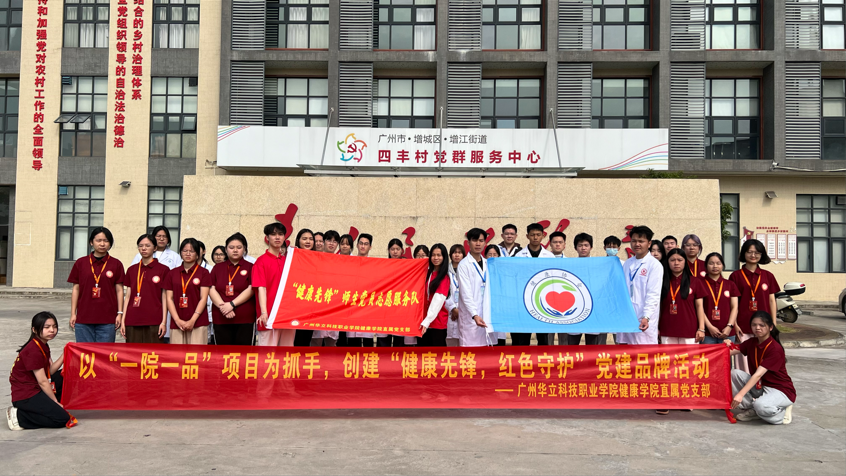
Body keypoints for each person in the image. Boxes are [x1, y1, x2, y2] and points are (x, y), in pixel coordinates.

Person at [6, 312, 75, 431]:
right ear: (34, 329)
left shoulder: (42, 345)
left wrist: (65, 354)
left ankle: (46, 407)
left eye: (54, 326)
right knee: (62, 419)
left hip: (36, 386)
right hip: (26, 395)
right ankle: (19, 416)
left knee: (66, 376)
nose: (52, 330)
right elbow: (43, 381)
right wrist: (55, 402)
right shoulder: (33, 350)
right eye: (47, 327)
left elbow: (50, 371)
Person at [727, 311, 795, 424]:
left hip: (780, 389)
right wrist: (725, 345)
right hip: (761, 386)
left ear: (770, 327)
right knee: (733, 374)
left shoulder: (775, 349)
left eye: (762, 325)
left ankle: (780, 413)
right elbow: (730, 351)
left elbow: (758, 375)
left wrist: (740, 395)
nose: (757, 328)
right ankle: (753, 410)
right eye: (754, 325)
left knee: (761, 406)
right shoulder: (751, 342)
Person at [729, 239, 780, 373]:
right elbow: (732, 304)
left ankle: (762, 387)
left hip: (764, 327)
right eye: (749, 252)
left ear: (762, 255)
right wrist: (735, 325)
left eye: (757, 252)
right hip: (743, 327)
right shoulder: (735, 276)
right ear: (743, 254)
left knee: (763, 362)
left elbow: (772, 301)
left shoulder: (768, 276)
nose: (753, 255)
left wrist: (773, 323)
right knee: (743, 365)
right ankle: (744, 387)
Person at [68, 227, 125, 343]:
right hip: (84, 318)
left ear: (110, 243)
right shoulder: (81, 263)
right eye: (98, 240)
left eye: (106, 241)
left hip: (107, 319)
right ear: (91, 242)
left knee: (104, 353)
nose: (102, 244)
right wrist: (73, 314)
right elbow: (76, 289)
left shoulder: (116, 264)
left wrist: (120, 314)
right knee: (85, 352)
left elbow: (119, 290)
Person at [616, 226, 663, 345]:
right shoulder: (628, 263)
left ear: (649, 243)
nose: (637, 244)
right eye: (634, 241)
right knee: (625, 350)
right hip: (627, 315)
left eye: (641, 241)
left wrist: (646, 316)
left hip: (643, 316)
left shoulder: (654, 265)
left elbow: (653, 294)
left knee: (643, 351)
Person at [120, 234, 170, 344]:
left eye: (147, 245)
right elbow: (128, 296)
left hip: (154, 320)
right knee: (133, 353)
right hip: (132, 319)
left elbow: (164, 297)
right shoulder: (132, 270)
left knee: (153, 353)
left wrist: (163, 322)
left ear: (155, 248)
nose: (144, 248)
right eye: (141, 245)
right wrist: (123, 320)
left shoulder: (164, 270)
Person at [208, 233, 256, 346]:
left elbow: (251, 288)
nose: (235, 250)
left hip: (244, 317)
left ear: (244, 249)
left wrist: (232, 304)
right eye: (231, 247)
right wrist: (223, 307)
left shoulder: (251, 267)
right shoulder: (217, 268)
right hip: (221, 316)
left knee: (244, 353)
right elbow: (211, 288)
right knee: (222, 352)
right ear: (226, 249)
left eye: (239, 247)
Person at [164, 238, 212, 345]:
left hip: (198, 322)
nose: (188, 254)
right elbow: (169, 298)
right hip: (177, 322)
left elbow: (203, 298)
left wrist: (192, 320)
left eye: (192, 251)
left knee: (197, 353)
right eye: (185, 251)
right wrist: (177, 320)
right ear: (180, 253)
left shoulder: (204, 272)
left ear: (197, 254)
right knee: (177, 354)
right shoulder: (172, 273)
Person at [253, 223, 294, 347]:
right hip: (269, 316)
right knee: (267, 355)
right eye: (273, 234)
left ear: (284, 238)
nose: (277, 237)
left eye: (280, 234)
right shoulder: (260, 262)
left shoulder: (288, 261)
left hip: (287, 316)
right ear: (267, 238)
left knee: (287, 354)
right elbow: (261, 288)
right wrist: (264, 312)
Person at [514, 223, 554, 346]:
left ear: (543, 236)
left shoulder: (549, 256)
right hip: (525, 300)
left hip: (543, 300)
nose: (535, 237)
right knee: (524, 337)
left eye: (538, 235)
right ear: (527, 236)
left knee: (543, 338)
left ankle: (543, 358)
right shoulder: (519, 256)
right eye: (532, 235)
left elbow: (553, 279)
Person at [658, 249, 706, 345]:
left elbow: (699, 306)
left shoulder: (695, 281)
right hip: (666, 329)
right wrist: (656, 328)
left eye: (680, 260)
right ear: (667, 262)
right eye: (672, 260)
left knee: (690, 355)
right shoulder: (661, 281)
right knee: (668, 355)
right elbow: (658, 306)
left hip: (689, 330)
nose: (676, 263)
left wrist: (701, 328)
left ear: (685, 261)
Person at [457, 228, 492, 347]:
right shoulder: (464, 265)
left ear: (485, 243)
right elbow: (465, 293)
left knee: (486, 352)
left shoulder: (488, 263)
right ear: (468, 243)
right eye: (474, 240)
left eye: (481, 241)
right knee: (470, 352)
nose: (478, 244)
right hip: (471, 317)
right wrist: (474, 314)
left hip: (486, 314)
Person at [699, 252, 740, 345]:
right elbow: (699, 308)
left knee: (727, 355)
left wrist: (730, 326)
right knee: (707, 355)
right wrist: (709, 327)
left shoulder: (730, 284)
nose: (715, 266)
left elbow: (734, 307)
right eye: (711, 263)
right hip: (707, 333)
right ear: (706, 266)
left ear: (723, 265)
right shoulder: (700, 284)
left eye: (718, 263)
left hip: (727, 333)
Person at [418, 244, 452, 347]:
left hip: (437, 323)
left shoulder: (444, 277)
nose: (436, 258)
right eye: (433, 255)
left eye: (439, 255)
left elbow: (438, 301)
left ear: (444, 257)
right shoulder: (427, 273)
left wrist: (427, 321)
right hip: (423, 322)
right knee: (423, 354)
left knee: (436, 355)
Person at [378, 239, 407, 347]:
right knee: (383, 341)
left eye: (397, 249)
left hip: (400, 308)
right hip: (385, 307)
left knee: (399, 341)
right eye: (392, 249)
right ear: (388, 250)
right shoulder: (382, 266)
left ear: (402, 250)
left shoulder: (407, 266)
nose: (395, 252)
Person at [347, 234, 375, 347]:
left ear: (370, 247)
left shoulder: (374, 264)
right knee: (352, 343)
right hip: (352, 306)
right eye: (361, 243)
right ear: (357, 245)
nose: (363, 246)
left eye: (366, 244)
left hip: (367, 306)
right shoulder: (350, 262)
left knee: (368, 342)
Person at [293, 229, 317, 347]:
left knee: (305, 341)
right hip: (294, 307)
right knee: (294, 340)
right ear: (298, 241)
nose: (308, 241)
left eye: (311, 239)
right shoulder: (292, 256)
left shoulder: (318, 259)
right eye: (304, 239)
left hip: (310, 308)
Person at [482, 246, 507, 345]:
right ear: (485, 256)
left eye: (495, 254)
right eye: (489, 254)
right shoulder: (482, 269)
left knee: (499, 338)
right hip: (484, 306)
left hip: (499, 308)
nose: (492, 257)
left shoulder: (503, 271)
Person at [445, 244, 465, 347]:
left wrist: (460, 310)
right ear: (450, 255)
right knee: (451, 347)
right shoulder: (445, 271)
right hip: (449, 311)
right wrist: (453, 308)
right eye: (454, 252)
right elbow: (444, 293)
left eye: (459, 253)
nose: (457, 255)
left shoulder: (467, 271)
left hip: (464, 311)